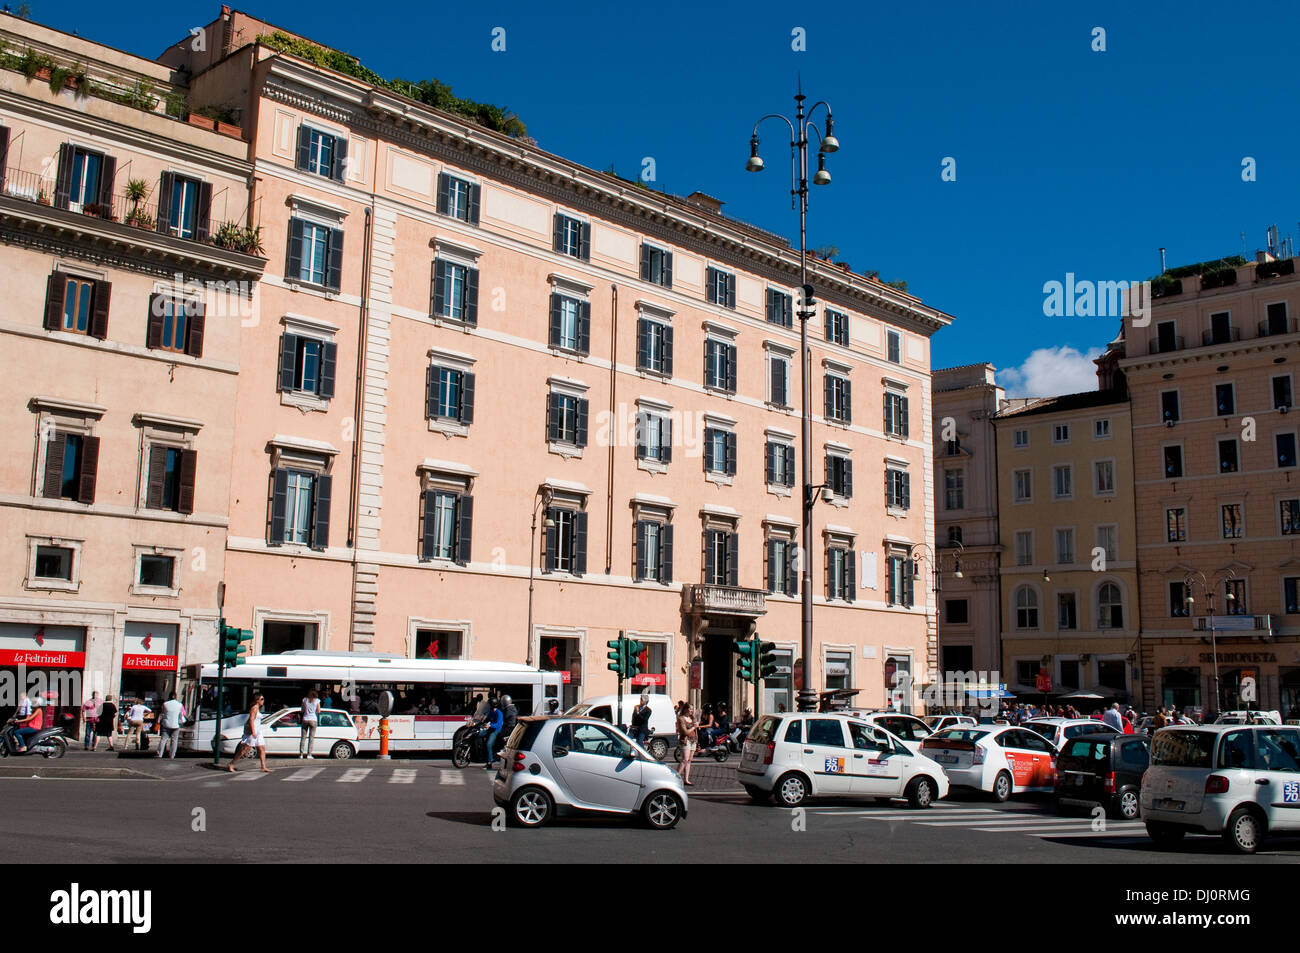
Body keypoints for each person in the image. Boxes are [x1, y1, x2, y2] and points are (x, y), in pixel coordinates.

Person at [228, 695, 270, 772]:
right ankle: (231, 764)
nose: (263, 701)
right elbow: (251, 720)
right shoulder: (254, 708)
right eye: (262, 699)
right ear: (257, 700)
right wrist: (253, 731)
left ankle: (263, 767)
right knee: (245, 750)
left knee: (262, 748)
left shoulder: (258, 708)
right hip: (252, 732)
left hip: (258, 731)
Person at [156, 691, 185, 758]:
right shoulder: (180, 705)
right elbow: (184, 713)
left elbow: (162, 712)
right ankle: (172, 755)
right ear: (176, 697)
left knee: (163, 739)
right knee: (174, 740)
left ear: (169, 696)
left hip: (166, 724)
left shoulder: (165, 704)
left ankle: (159, 754)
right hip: (176, 725)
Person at [676, 701, 697, 786]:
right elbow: (684, 732)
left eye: (692, 709)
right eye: (690, 709)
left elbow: (695, 730)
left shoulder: (692, 718)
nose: (691, 711)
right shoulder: (681, 718)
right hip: (685, 740)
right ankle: (676, 777)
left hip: (693, 740)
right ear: (685, 709)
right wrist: (694, 727)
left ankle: (686, 779)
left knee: (689, 760)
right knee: (685, 759)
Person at [480, 699, 504, 769]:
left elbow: (498, 724)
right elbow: (488, 719)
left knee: (489, 744)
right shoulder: (491, 712)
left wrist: (490, 725)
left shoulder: (499, 713)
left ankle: (489, 763)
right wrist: (483, 720)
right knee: (478, 734)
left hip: (495, 730)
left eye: (489, 705)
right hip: (490, 728)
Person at [300, 689, 320, 759]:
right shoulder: (317, 700)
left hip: (305, 719)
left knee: (303, 737)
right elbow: (318, 710)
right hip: (313, 719)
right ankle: (309, 754)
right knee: (311, 738)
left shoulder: (304, 700)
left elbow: (302, 710)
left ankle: (301, 754)